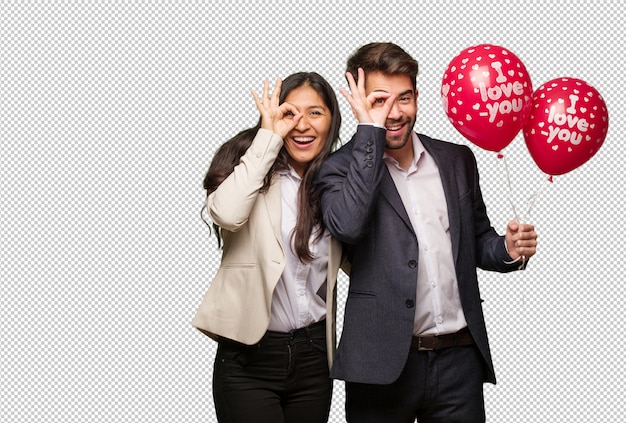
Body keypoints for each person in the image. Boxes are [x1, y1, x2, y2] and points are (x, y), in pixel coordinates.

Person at [314, 42, 538, 422]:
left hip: (459, 360)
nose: (396, 113)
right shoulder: (336, 169)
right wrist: (369, 131)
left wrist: (507, 248)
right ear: (357, 101)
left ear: (417, 96)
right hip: (380, 364)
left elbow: (478, 242)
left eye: (405, 98)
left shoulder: (456, 160)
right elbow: (347, 225)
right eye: (380, 100)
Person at [192, 72, 343, 423]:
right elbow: (227, 214)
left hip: (314, 356)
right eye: (291, 113)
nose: (303, 125)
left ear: (332, 120)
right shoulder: (252, 172)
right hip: (250, 357)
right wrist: (268, 137)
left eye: (316, 113)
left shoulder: (335, 184)